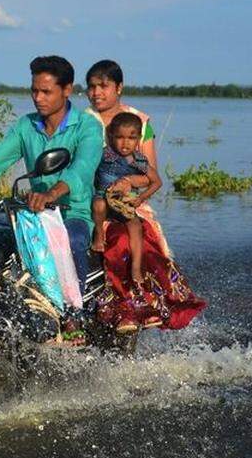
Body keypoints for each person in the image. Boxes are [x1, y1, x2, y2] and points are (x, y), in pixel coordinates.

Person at [0, 55, 102, 301]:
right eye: (34, 91)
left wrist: (51, 194)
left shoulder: (87, 126)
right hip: (33, 214)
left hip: (72, 212)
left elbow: (82, 169)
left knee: (72, 240)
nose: (38, 98)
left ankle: (75, 312)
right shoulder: (26, 126)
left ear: (66, 90)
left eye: (46, 92)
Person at [83, 59, 206, 335]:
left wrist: (128, 184)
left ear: (119, 87)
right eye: (91, 87)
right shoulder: (83, 121)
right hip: (92, 200)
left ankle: (139, 303)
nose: (97, 93)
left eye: (103, 86)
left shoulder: (140, 122)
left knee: (137, 241)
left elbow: (149, 173)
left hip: (127, 202)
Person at [92, 112, 162, 287]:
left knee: (136, 227)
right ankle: (99, 235)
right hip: (103, 196)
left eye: (131, 138)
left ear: (138, 139)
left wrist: (141, 198)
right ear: (111, 136)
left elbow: (157, 182)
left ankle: (136, 268)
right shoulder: (104, 154)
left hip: (125, 203)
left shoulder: (138, 160)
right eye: (120, 137)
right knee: (98, 205)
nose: (125, 143)